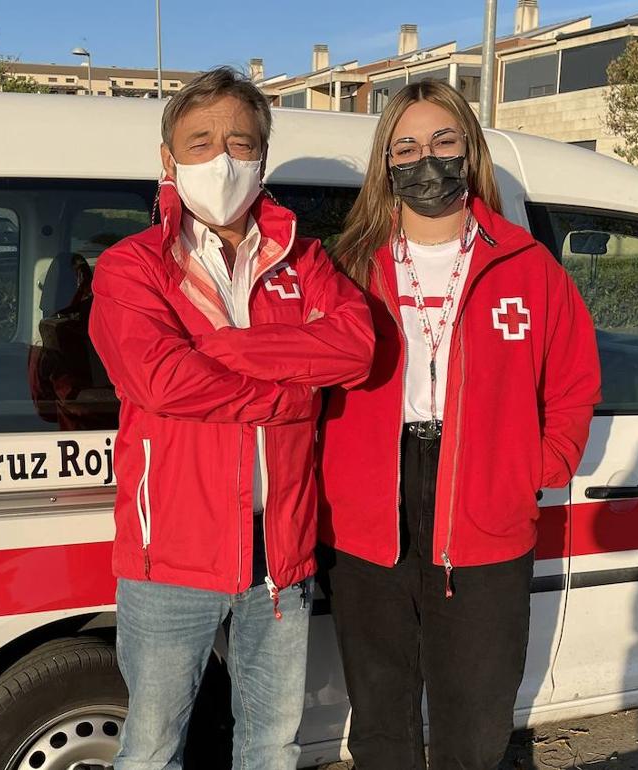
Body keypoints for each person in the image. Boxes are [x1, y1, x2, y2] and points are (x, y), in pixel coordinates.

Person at [88, 66, 374, 770]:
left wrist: (228, 349)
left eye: (241, 142)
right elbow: (159, 378)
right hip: (171, 555)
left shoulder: (304, 260)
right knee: (151, 746)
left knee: (272, 744)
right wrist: (291, 394)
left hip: (281, 553)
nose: (223, 158)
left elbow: (357, 347)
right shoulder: (134, 267)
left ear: (263, 157)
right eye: (201, 141)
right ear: (167, 159)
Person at [318, 80, 601, 769]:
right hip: (368, 510)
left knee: (473, 720)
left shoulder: (528, 268)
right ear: (387, 164)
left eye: (444, 141)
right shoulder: (348, 266)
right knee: (381, 722)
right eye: (406, 147)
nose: (427, 160)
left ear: (470, 150)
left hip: (483, 502)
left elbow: (573, 382)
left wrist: (531, 470)